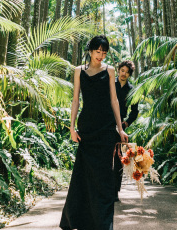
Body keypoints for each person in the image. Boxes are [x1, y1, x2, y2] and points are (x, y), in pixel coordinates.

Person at [60, 36, 128, 230]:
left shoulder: (110, 70)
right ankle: (81, 221)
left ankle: (103, 224)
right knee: (84, 174)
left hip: (106, 128)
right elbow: (75, 101)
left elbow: (114, 101)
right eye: (98, 51)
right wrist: (72, 128)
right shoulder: (78, 71)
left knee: (105, 177)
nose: (101, 55)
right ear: (90, 51)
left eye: (104, 52)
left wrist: (120, 129)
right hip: (87, 128)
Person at [113, 60, 138, 201]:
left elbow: (135, 111)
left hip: (120, 128)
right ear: (118, 71)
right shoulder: (110, 84)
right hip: (106, 123)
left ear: (129, 75)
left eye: (127, 72)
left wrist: (126, 123)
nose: (124, 74)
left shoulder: (131, 90)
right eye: (122, 70)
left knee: (118, 159)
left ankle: (115, 191)